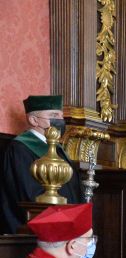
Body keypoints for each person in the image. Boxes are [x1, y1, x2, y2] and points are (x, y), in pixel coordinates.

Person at [1, 95, 82, 234]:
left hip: (66, 225)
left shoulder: (58, 149)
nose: (59, 121)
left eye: (61, 116)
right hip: (37, 228)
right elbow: (28, 192)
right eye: (53, 115)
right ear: (33, 120)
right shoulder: (21, 148)